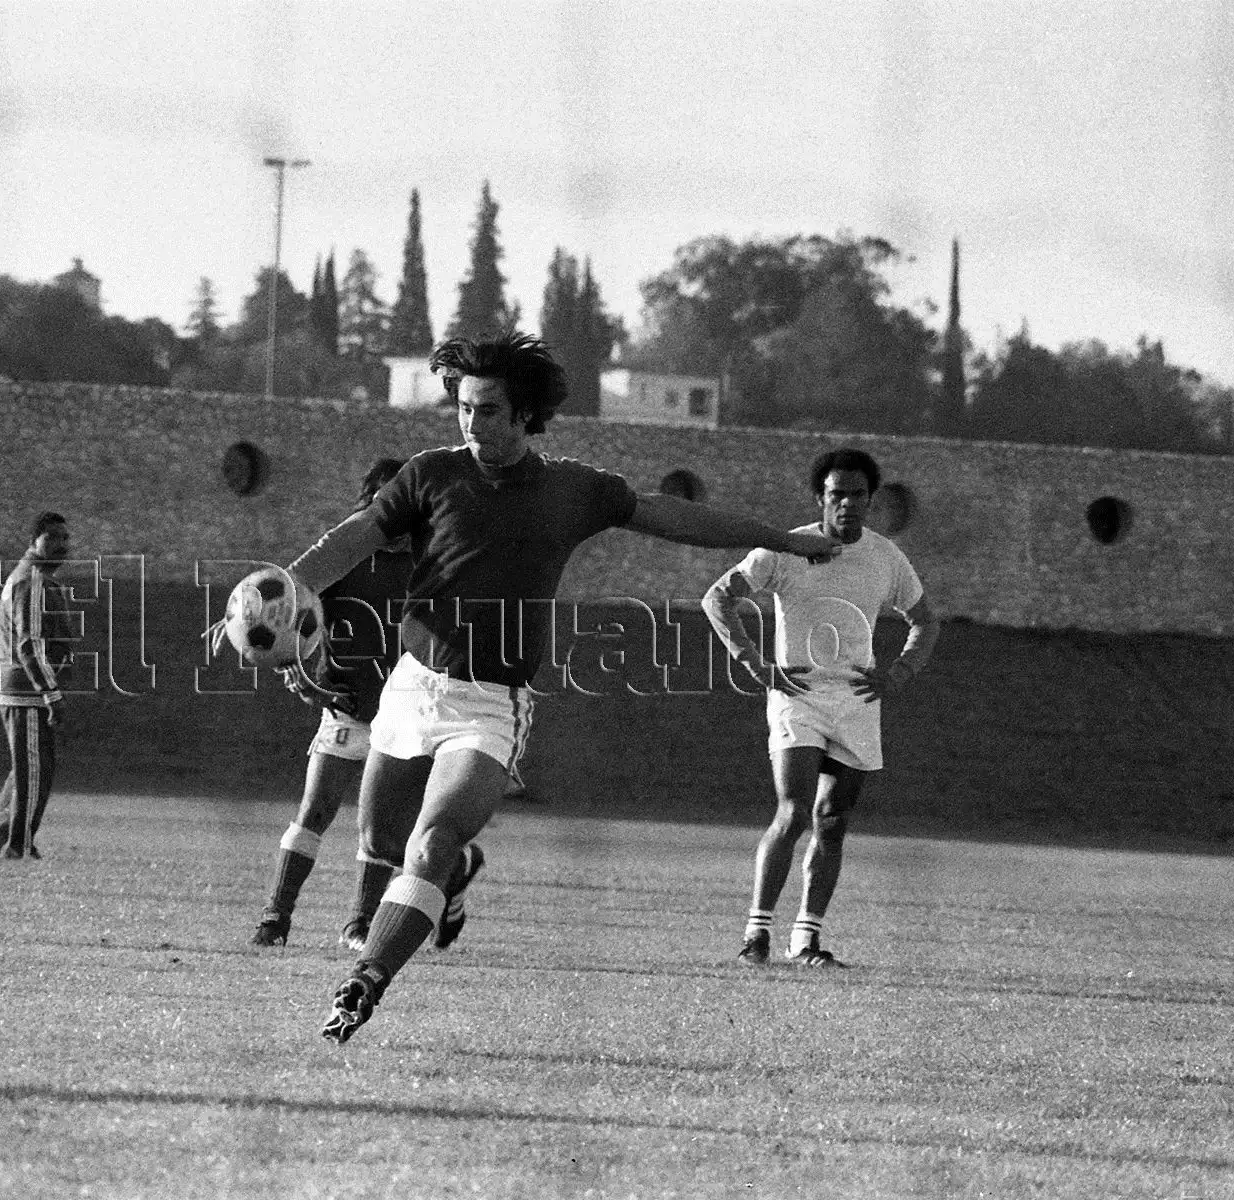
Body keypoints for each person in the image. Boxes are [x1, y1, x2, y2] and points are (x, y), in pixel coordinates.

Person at [285, 333, 840, 1043]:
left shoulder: (571, 489)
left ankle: (364, 982)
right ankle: (447, 886)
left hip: (490, 707)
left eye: (487, 411)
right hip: (409, 690)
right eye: (462, 408)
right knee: (381, 840)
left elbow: (672, 516)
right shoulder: (429, 475)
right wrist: (289, 585)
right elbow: (358, 535)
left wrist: (783, 539)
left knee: (430, 840)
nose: (471, 424)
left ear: (524, 417)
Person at [702, 447, 940, 968]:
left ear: (872, 500)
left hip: (856, 703)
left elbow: (925, 620)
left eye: (858, 494)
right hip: (798, 697)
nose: (848, 503)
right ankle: (756, 935)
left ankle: (805, 941)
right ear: (821, 498)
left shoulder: (886, 558)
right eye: (838, 494)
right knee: (792, 813)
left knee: (833, 820)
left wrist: (899, 671)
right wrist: (755, 663)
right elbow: (718, 597)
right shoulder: (786, 549)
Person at [252, 458, 486, 953]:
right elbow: (290, 614)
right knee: (315, 810)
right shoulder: (348, 560)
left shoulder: (432, 563)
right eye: (386, 501)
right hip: (347, 705)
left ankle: (363, 922)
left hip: (407, 717)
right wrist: (296, 672)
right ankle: (275, 918)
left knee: (391, 835)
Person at [0, 512, 74, 859]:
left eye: (66, 539)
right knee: (36, 771)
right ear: (34, 540)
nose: (63, 546)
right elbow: (28, 643)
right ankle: (17, 846)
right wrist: (50, 692)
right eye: (53, 538)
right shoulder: (32, 580)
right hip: (26, 690)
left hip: (19, 688)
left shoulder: (33, 578)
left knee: (26, 769)